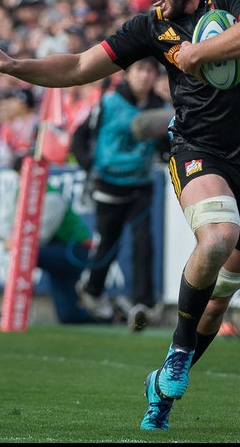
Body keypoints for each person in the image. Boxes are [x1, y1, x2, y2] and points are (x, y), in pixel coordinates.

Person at [0, 0, 240, 430]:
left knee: (220, 298)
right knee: (218, 236)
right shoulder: (152, 25)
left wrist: (200, 54)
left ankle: (160, 389)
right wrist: (15, 65)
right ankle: (178, 356)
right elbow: (78, 65)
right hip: (198, 150)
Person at [72, 56, 168, 331]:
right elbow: (79, 137)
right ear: (127, 73)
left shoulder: (161, 109)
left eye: (150, 70)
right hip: (109, 185)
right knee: (108, 245)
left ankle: (142, 304)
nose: (145, 76)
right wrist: (90, 166)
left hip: (141, 184)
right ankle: (92, 289)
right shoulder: (107, 103)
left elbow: (166, 145)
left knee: (143, 243)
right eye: (140, 69)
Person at [0, 156, 102, 325]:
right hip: (57, 251)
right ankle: (111, 316)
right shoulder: (22, 193)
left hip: (73, 252)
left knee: (22, 253)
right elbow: (14, 225)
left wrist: (12, 241)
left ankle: (14, 309)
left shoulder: (52, 197)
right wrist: (5, 236)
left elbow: (40, 237)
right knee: (68, 317)